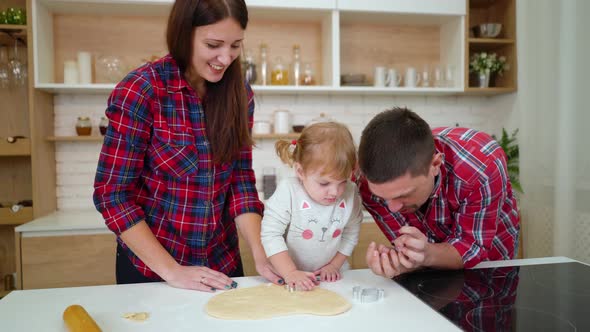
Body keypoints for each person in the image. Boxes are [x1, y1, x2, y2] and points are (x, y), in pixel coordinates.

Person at [93, 0, 281, 292]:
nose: (225, 57)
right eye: (213, 44)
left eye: (235, 45)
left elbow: (240, 181)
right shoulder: (141, 90)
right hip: (155, 270)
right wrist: (173, 272)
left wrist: (261, 250)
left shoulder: (239, 92)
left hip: (222, 263)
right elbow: (112, 196)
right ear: (184, 34)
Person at [356, 107, 520, 278]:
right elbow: (411, 248)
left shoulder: (481, 167)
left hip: (492, 264)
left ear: (435, 164)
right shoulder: (367, 186)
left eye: (402, 195)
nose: (392, 208)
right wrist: (406, 258)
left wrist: (425, 255)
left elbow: (470, 247)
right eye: (383, 198)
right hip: (433, 268)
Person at [261, 122, 363, 291]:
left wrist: (334, 265)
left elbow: (351, 234)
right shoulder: (289, 190)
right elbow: (271, 234)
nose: (335, 192)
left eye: (343, 182)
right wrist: (290, 272)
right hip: (289, 276)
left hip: (332, 276)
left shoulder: (350, 193)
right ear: (300, 172)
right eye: (324, 183)